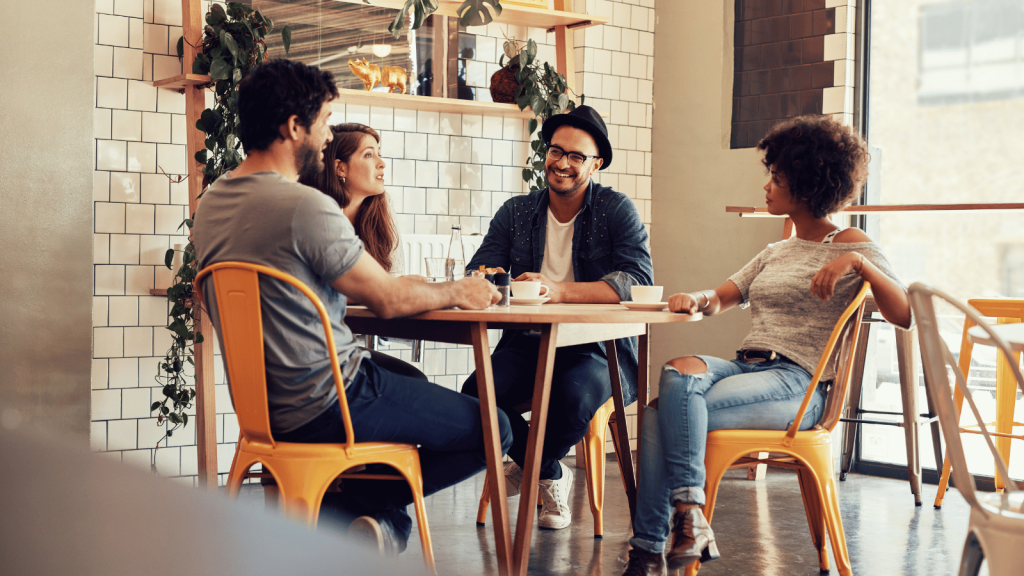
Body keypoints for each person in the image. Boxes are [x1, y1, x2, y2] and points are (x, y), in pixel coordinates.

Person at [192, 59, 511, 557]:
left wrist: (400, 283)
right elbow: (387, 300)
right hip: (330, 397)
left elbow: (353, 282)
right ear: (293, 127)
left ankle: (359, 517)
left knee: (413, 382)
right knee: (497, 428)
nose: (325, 137)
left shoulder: (210, 205)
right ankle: (361, 510)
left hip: (264, 408)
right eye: (321, 122)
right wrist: (457, 291)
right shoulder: (304, 206)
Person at [621, 115, 913, 576]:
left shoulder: (852, 242)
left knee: (662, 414)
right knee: (677, 372)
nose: (766, 186)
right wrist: (695, 298)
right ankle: (688, 519)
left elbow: (904, 313)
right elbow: (720, 298)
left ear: (807, 184)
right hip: (746, 368)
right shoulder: (776, 252)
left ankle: (648, 553)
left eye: (776, 178)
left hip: (799, 385)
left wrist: (855, 262)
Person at [462, 105, 654, 530]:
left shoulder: (615, 209)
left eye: (576, 156)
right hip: (529, 340)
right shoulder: (516, 212)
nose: (562, 163)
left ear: (596, 163)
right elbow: (479, 270)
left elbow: (636, 279)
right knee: (477, 390)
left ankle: (527, 467)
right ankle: (548, 471)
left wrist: (557, 290)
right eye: (555, 151)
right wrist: (491, 278)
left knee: (569, 399)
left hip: (598, 348)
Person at [300, 123, 426, 381]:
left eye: (379, 153)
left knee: (413, 377)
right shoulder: (313, 216)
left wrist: (390, 286)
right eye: (369, 154)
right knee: (413, 380)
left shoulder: (379, 212)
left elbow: (392, 277)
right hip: (313, 353)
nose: (382, 163)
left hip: (342, 346)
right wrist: (380, 290)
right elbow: (309, 295)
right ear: (340, 168)